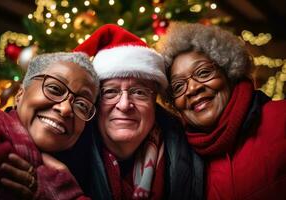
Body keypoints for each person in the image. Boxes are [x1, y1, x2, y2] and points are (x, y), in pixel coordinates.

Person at [69, 24, 204, 200]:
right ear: (95, 101)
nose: (124, 105)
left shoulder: (193, 153)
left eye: (139, 92)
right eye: (110, 92)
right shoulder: (67, 153)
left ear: (154, 101)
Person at [156, 22, 286, 200]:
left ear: (229, 71)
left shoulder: (281, 118)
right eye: (178, 86)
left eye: (203, 73)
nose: (193, 88)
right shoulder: (180, 160)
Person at [0, 52, 99, 200]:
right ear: (19, 94)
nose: (66, 109)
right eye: (55, 89)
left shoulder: (85, 169)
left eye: (81, 105)